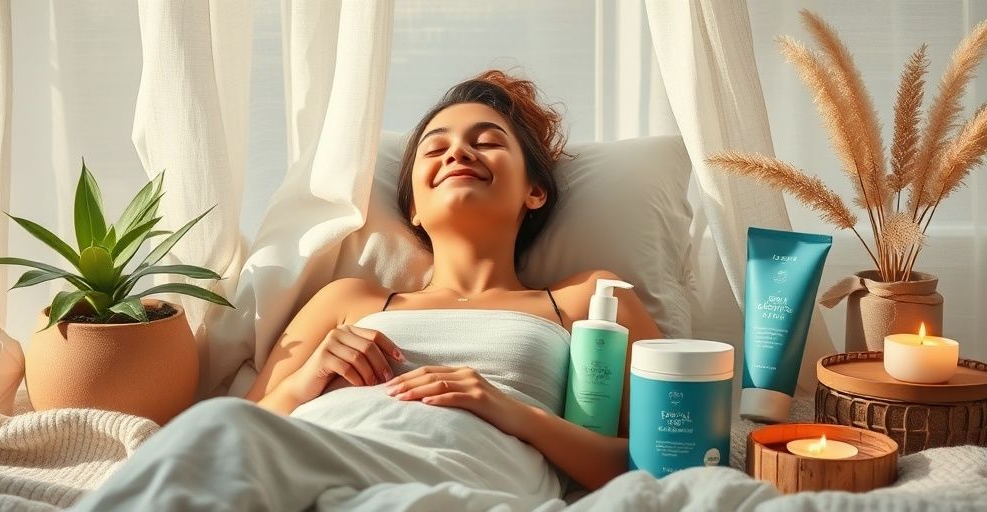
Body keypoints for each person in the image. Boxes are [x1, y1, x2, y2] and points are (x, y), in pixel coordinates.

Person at [71, 69, 662, 511]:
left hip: (462, 476)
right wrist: (305, 380)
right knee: (215, 431)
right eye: (436, 147)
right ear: (413, 206)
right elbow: (250, 424)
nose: (458, 150)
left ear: (535, 191)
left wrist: (506, 408)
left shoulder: (587, 299)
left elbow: (651, 459)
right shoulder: (347, 299)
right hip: (312, 460)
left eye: (486, 142)